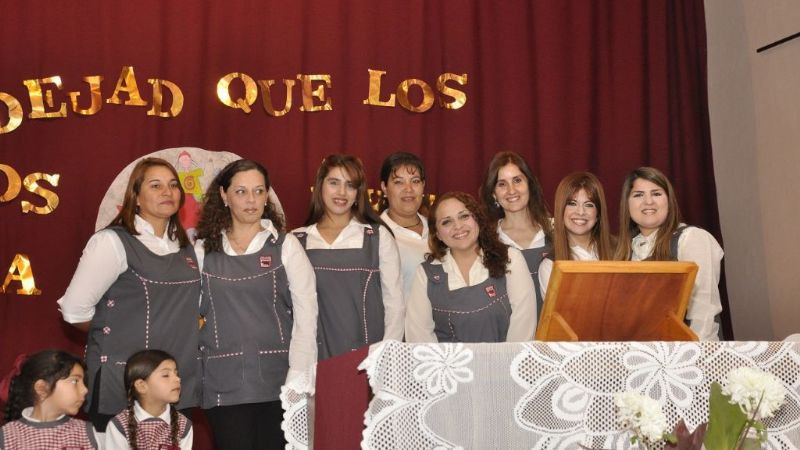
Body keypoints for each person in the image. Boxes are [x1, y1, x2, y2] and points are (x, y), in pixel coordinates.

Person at [57, 157, 201, 430]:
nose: (167, 192)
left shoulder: (188, 248)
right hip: (123, 379)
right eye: (155, 185)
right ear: (135, 196)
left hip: (175, 382)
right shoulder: (111, 241)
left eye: (173, 185)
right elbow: (74, 311)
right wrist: (115, 331)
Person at [194, 159, 318, 449]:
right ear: (224, 195)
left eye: (258, 191)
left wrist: (297, 382)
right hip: (222, 385)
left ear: (267, 195)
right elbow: (187, 316)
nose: (251, 200)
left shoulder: (286, 246)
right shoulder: (202, 250)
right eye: (241, 192)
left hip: (278, 383)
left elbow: (307, 318)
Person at [293, 154, 404, 360]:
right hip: (313, 357)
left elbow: (395, 305)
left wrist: (387, 356)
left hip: (368, 357)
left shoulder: (378, 237)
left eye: (350, 185)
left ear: (358, 192)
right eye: (334, 183)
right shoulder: (295, 240)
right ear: (320, 186)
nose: (342, 192)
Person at [405, 192, 537, 342]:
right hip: (447, 365)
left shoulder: (510, 258)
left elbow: (523, 325)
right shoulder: (426, 274)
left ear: (477, 219)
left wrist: (504, 362)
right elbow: (419, 338)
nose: (458, 226)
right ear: (438, 234)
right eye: (446, 222)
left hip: (504, 362)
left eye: (464, 216)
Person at [614, 167, 724, 341]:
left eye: (656, 194)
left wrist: (697, 356)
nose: (648, 201)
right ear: (627, 204)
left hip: (686, 355)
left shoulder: (690, 238)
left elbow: (704, 309)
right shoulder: (624, 252)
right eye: (638, 195)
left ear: (669, 200)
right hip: (642, 355)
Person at [480, 151, 553, 315]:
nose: (511, 190)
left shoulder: (557, 234)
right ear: (493, 194)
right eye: (502, 184)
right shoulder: (486, 243)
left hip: (554, 337)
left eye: (517, 180)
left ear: (530, 184)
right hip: (510, 337)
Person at [0, 350, 97, 449]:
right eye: (74, 381)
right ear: (42, 388)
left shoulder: (90, 434)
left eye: (83, 382)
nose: (85, 390)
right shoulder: (7, 437)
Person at [538, 172, 615, 295]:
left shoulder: (619, 252)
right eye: (572, 204)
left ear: (598, 215)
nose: (580, 212)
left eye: (589, 205)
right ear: (560, 210)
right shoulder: (550, 267)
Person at [106, 350, 192, 449]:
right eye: (166, 375)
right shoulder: (119, 426)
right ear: (141, 386)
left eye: (176, 374)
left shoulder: (184, 425)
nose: (178, 379)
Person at [378, 152, 430, 299]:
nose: (408, 189)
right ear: (384, 187)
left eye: (415, 181)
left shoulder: (438, 228)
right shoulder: (376, 235)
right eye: (399, 182)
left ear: (423, 186)